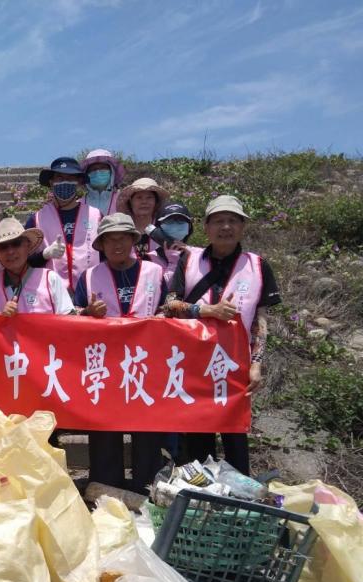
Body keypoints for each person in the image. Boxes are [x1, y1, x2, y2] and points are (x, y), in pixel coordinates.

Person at [164, 195, 281, 475]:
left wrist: (257, 362)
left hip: (236, 365)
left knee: (235, 438)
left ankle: (238, 501)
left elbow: (260, 319)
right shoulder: (189, 261)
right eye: (218, 221)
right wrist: (206, 310)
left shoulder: (258, 265)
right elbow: (169, 303)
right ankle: (205, 500)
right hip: (193, 362)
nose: (225, 227)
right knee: (198, 439)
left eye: (232, 221)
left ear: (242, 227)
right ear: (206, 227)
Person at [75, 213, 166, 494]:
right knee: (104, 432)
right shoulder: (88, 277)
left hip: (145, 364)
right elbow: (70, 317)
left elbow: (169, 308)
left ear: (133, 240)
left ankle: (147, 489)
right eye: (110, 239)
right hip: (104, 365)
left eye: (123, 237)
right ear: (100, 245)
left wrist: (162, 317)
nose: (117, 244)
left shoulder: (155, 273)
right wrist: (88, 313)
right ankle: (105, 490)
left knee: (148, 432)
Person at [25, 156, 102, 292]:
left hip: (91, 292)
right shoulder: (36, 219)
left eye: (70, 178)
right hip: (51, 295)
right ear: (51, 182)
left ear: (79, 182)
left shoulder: (96, 216)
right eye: (60, 178)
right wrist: (44, 255)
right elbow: (24, 260)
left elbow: (106, 256)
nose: (65, 182)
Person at [0, 217, 75, 316]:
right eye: (3, 247)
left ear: (27, 245)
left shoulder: (50, 279)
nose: (10, 252)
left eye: (16, 243)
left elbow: (69, 321)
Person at [117, 178, 181, 282]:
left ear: (156, 202)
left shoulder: (165, 230)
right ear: (131, 202)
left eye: (149, 197)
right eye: (139, 197)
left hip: (163, 283)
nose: (144, 202)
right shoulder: (122, 230)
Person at [81, 149, 125, 216]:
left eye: (103, 168)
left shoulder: (123, 201)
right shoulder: (79, 204)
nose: (98, 172)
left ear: (111, 172)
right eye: (93, 169)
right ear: (86, 175)